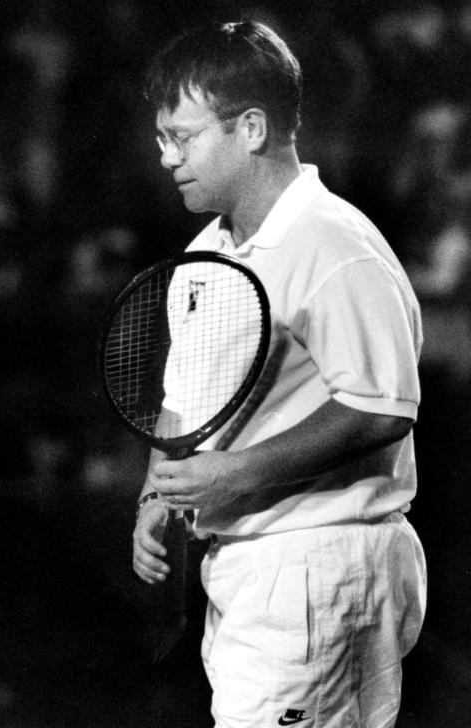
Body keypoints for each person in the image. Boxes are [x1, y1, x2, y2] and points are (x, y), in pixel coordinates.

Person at [130, 21, 426, 727]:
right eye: (162, 137)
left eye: (183, 135)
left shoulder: (331, 243)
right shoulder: (208, 251)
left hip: (318, 568)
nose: (166, 156)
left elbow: (382, 408)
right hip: (253, 571)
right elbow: (186, 403)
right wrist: (155, 495)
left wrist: (235, 476)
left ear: (252, 128)